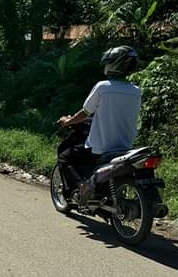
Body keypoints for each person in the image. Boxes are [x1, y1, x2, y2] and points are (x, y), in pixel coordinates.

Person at [58, 45, 141, 205]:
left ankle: (82, 187)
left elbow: (85, 112)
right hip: (125, 146)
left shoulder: (103, 87)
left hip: (101, 147)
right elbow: (116, 112)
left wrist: (68, 121)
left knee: (65, 156)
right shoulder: (136, 90)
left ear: (114, 64)